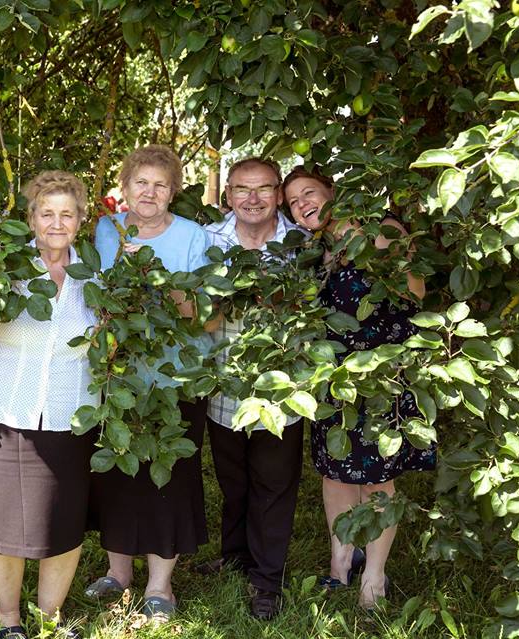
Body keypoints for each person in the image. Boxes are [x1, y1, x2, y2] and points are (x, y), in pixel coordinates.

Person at [0, 171, 98, 639]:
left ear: (80, 221)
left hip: (71, 410)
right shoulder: (6, 273)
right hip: (7, 409)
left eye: (67, 214)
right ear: (31, 219)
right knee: (4, 521)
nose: (57, 223)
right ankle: (9, 619)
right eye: (46, 213)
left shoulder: (93, 277)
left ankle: (50, 619)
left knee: (65, 517)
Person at [283, 165, 434, 610]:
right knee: (335, 472)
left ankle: (375, 575)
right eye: (292, 202)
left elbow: (417, 294)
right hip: (333, 377)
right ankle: (340, 561)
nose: (302, 204)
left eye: (308, 192)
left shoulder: (379, 229)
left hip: (380, 377)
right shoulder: (317, 247)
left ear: (332, 192)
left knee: (379, 478)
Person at [85, 145, 211, 620]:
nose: (150, 192)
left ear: (173, 192)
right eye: (141, 183)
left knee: (170, 479)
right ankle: (118, 573)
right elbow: (93, 297)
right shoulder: (104, 230)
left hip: (175, 378)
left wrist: (153, 276)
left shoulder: (193, 237)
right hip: (116, 374)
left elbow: (198, 313)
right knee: (116, 473)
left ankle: (160, 584)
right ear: (125, 188)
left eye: (160, 185)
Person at [201, 157, 308, 621]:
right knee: (234, 481)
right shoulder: (209, 242)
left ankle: (267, 579)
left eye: (263, 188)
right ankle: (236, 554)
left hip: (280, 392)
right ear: (228, 195)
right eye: (242, 189)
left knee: (273, 485)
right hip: (222, 384)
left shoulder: (300, 245)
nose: (252, 198)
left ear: (279, 194)